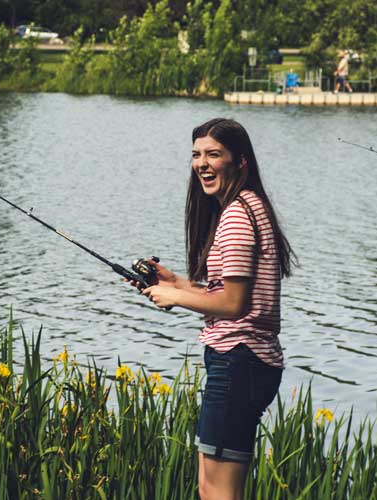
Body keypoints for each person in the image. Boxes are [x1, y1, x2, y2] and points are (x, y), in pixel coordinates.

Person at [135, 118, 295, 499]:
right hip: (243, 361)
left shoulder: (238, 215)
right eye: (196, 155)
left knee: (218, 492)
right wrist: (176, 282)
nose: (202, 163)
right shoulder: (249, 206)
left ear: (240, 161)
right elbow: (227, 291)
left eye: (213, 154)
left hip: (239, 360)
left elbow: (233, 304)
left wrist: (174, 298)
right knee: (209, 487)